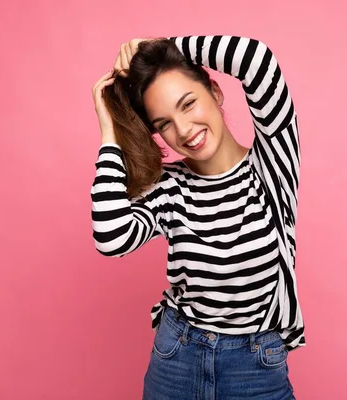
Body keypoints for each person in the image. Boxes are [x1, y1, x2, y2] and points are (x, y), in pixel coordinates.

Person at [91, 35, 303, 399]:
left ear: (216, 93)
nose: (185, 130)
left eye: (188, 104)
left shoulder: (272, 165)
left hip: (255, 365)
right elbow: (111, 238)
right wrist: (110, 131)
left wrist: (162, 47)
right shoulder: (170, 186)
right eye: (165, 123)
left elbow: (256, 59)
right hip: (177, 357)